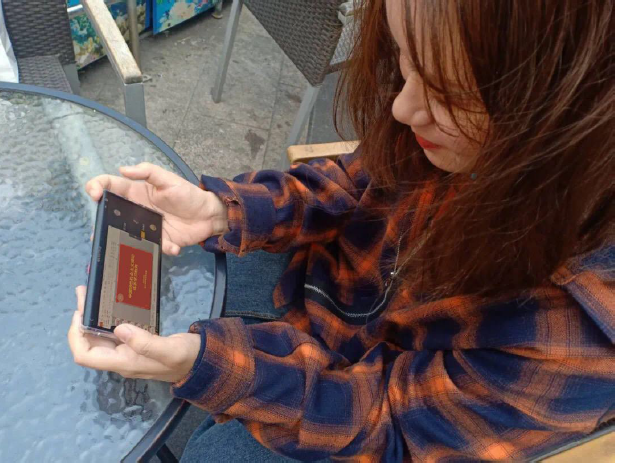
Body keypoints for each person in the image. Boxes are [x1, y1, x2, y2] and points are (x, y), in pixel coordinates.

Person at [68, 0, 615, 460]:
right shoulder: (463, 135)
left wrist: (207, 365)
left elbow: (385, 427)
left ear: (568, 113)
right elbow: (355, 183)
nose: (401, 108)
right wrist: (219, 211)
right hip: (314, 293)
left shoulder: (578, 343)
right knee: (173, 284)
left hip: (355, 419)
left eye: (449, 95)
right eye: (404, 62)